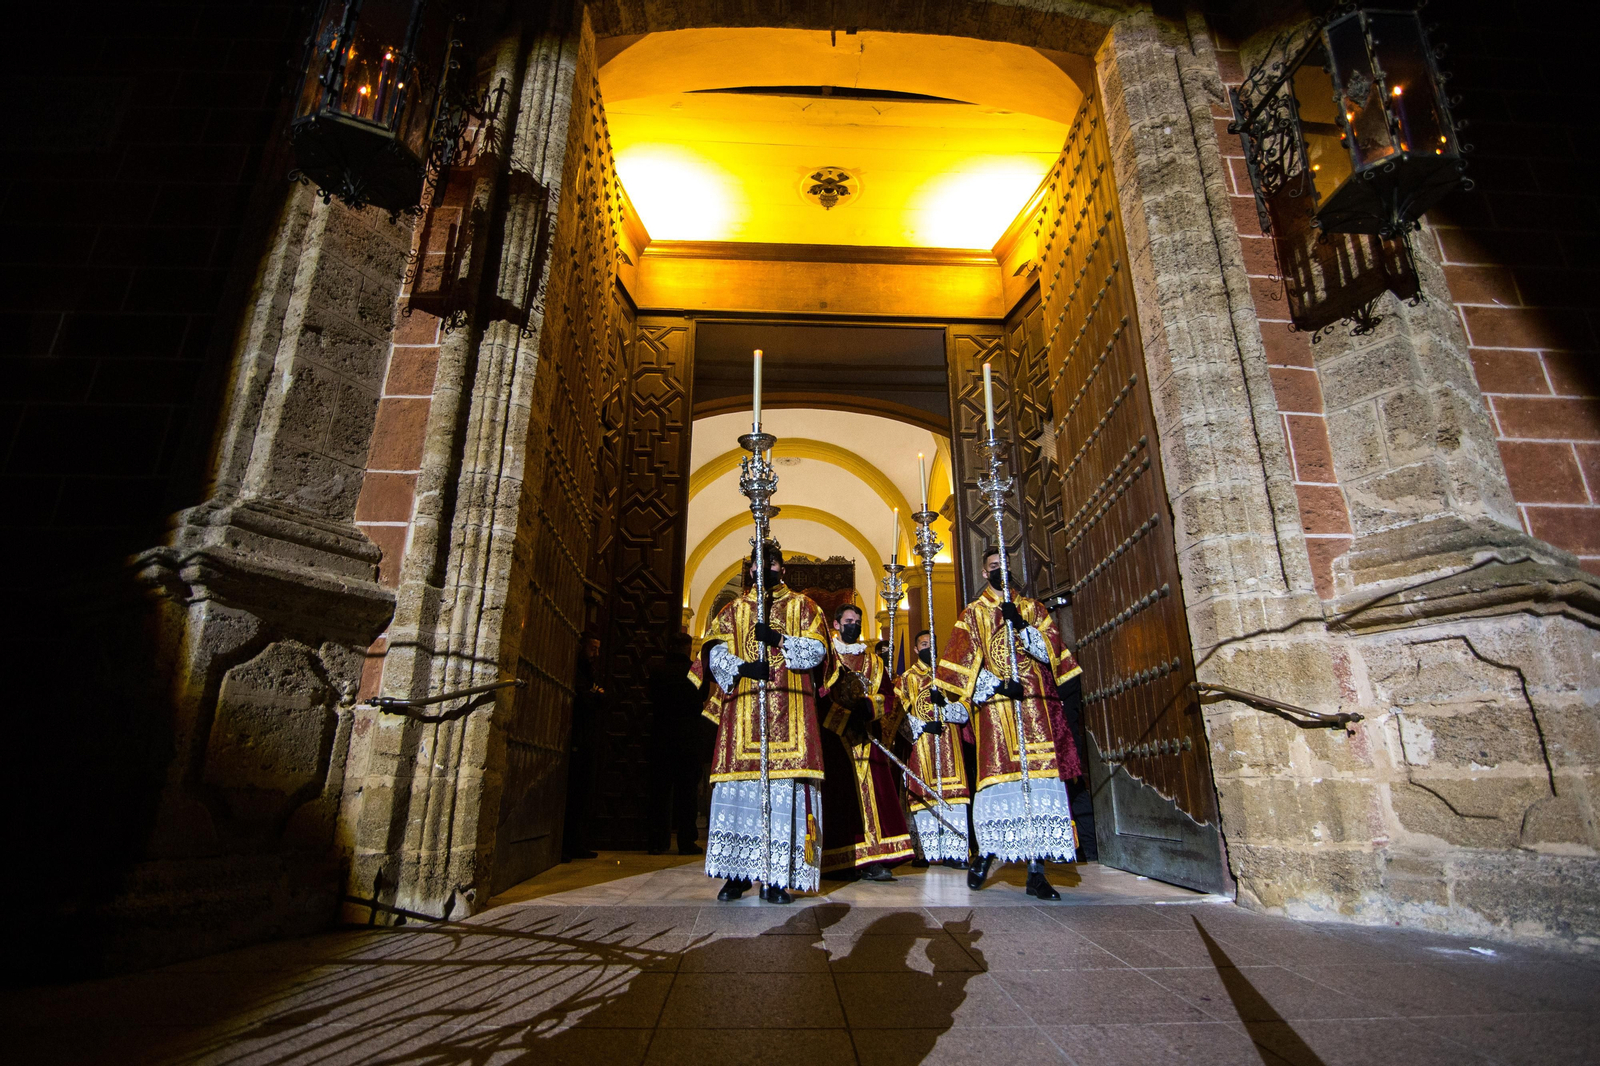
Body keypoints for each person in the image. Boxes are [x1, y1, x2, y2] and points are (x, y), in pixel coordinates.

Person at [935, 547, 1082, 900]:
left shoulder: (1033, 608)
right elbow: (959, 670)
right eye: (993, 566)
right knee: (1000, 787)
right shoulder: (973, 614)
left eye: (1005, 564)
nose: (1001, 570)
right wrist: (998, 685)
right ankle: (986, 854)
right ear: (985, 573)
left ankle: (1036, 872)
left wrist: (1021, 625)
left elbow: (1053, 654)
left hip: (1037, 712)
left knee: (1037, 791)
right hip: (997, 714)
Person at [701, 542, 830, 904]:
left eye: (772, 562)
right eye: (760, 563)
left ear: (782, 569)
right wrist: (741, 667)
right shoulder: (733, 610)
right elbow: (713, 652)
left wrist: (779, 639)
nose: (766, 568)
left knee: (783, 799)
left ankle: (776, 878)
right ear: (752, 569)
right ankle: (736, 875)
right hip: (743, 717)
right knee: (740, 799)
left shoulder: (804, 607)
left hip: (791, 717)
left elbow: (819, 651)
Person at [817, 603, 914, 882]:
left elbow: (889, 695)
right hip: (835, 738)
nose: (854, 625)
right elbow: (820, 695)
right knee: (840, 797)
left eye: (857, 621)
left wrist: (869, 709)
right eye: (848, 620)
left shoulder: (874, 661)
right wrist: (843, 718)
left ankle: (873, 859)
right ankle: (838, 859)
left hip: (867, 738)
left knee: (874, 797)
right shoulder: (826, 657)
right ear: (836, 625)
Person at [895, 628, 972, 867]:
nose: (929, 648)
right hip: (922, 746)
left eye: (932, 644)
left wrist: (946, 705)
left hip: (950, 744)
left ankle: (955, 853)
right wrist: (923, 727)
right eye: (924, 644)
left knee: (953, 796)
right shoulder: (908, 678)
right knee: (923, 795)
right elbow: (898, 715)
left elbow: (967, 707)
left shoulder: (950, 674)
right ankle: (924, 853)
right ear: (916, 649)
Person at [647, 632, 708, 856]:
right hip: (688, 737)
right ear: (688, 647)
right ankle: (686, 841)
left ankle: (657, 841)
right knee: (687, 793)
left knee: (660, 792)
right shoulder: (695, 671)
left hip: (662, 735)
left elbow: (651, 696)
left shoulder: (658, 670)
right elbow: (702, 695)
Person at [561, 633, 604, 861]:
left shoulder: (589, 670)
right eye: (593, 648)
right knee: (574, 792)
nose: (596, 653)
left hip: (586, 736)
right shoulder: (577, 669)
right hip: (576, 735)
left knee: (582, 793)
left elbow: (596, 695)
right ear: (581, 647)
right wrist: (593, 694)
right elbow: (586, 696)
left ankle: (576, 843)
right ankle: (568, 845)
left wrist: (594, 694)